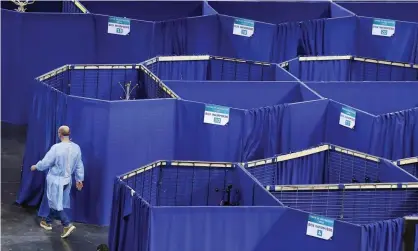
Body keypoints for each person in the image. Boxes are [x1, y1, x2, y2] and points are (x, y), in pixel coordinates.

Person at [31, 125, 84, 238]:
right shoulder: (76, 148)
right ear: (69, 134)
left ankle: (67, 224)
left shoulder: (56, 148)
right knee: (55, 203)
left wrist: (36, 166)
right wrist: (79, 179)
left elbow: (46, 162)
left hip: (56, 181)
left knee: (56, 204)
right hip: (67, 181)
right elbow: (79, 165)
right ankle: (48, 221)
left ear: (59, 134)